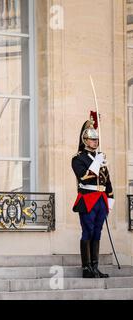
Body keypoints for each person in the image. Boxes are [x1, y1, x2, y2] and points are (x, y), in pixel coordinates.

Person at [71, 114, 114, 278]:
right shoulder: (78, 158)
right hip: (88, 199)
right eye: (92, 139)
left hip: (101, 199)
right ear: (84, 140)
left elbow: (107, 180)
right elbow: (83, 176)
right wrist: (97, 161)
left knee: (98, 232)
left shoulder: (100, 157)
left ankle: (95, 267)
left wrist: (110, 199)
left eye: (96, 140)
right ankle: (86, 268)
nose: (95, 142)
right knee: (87, 231)